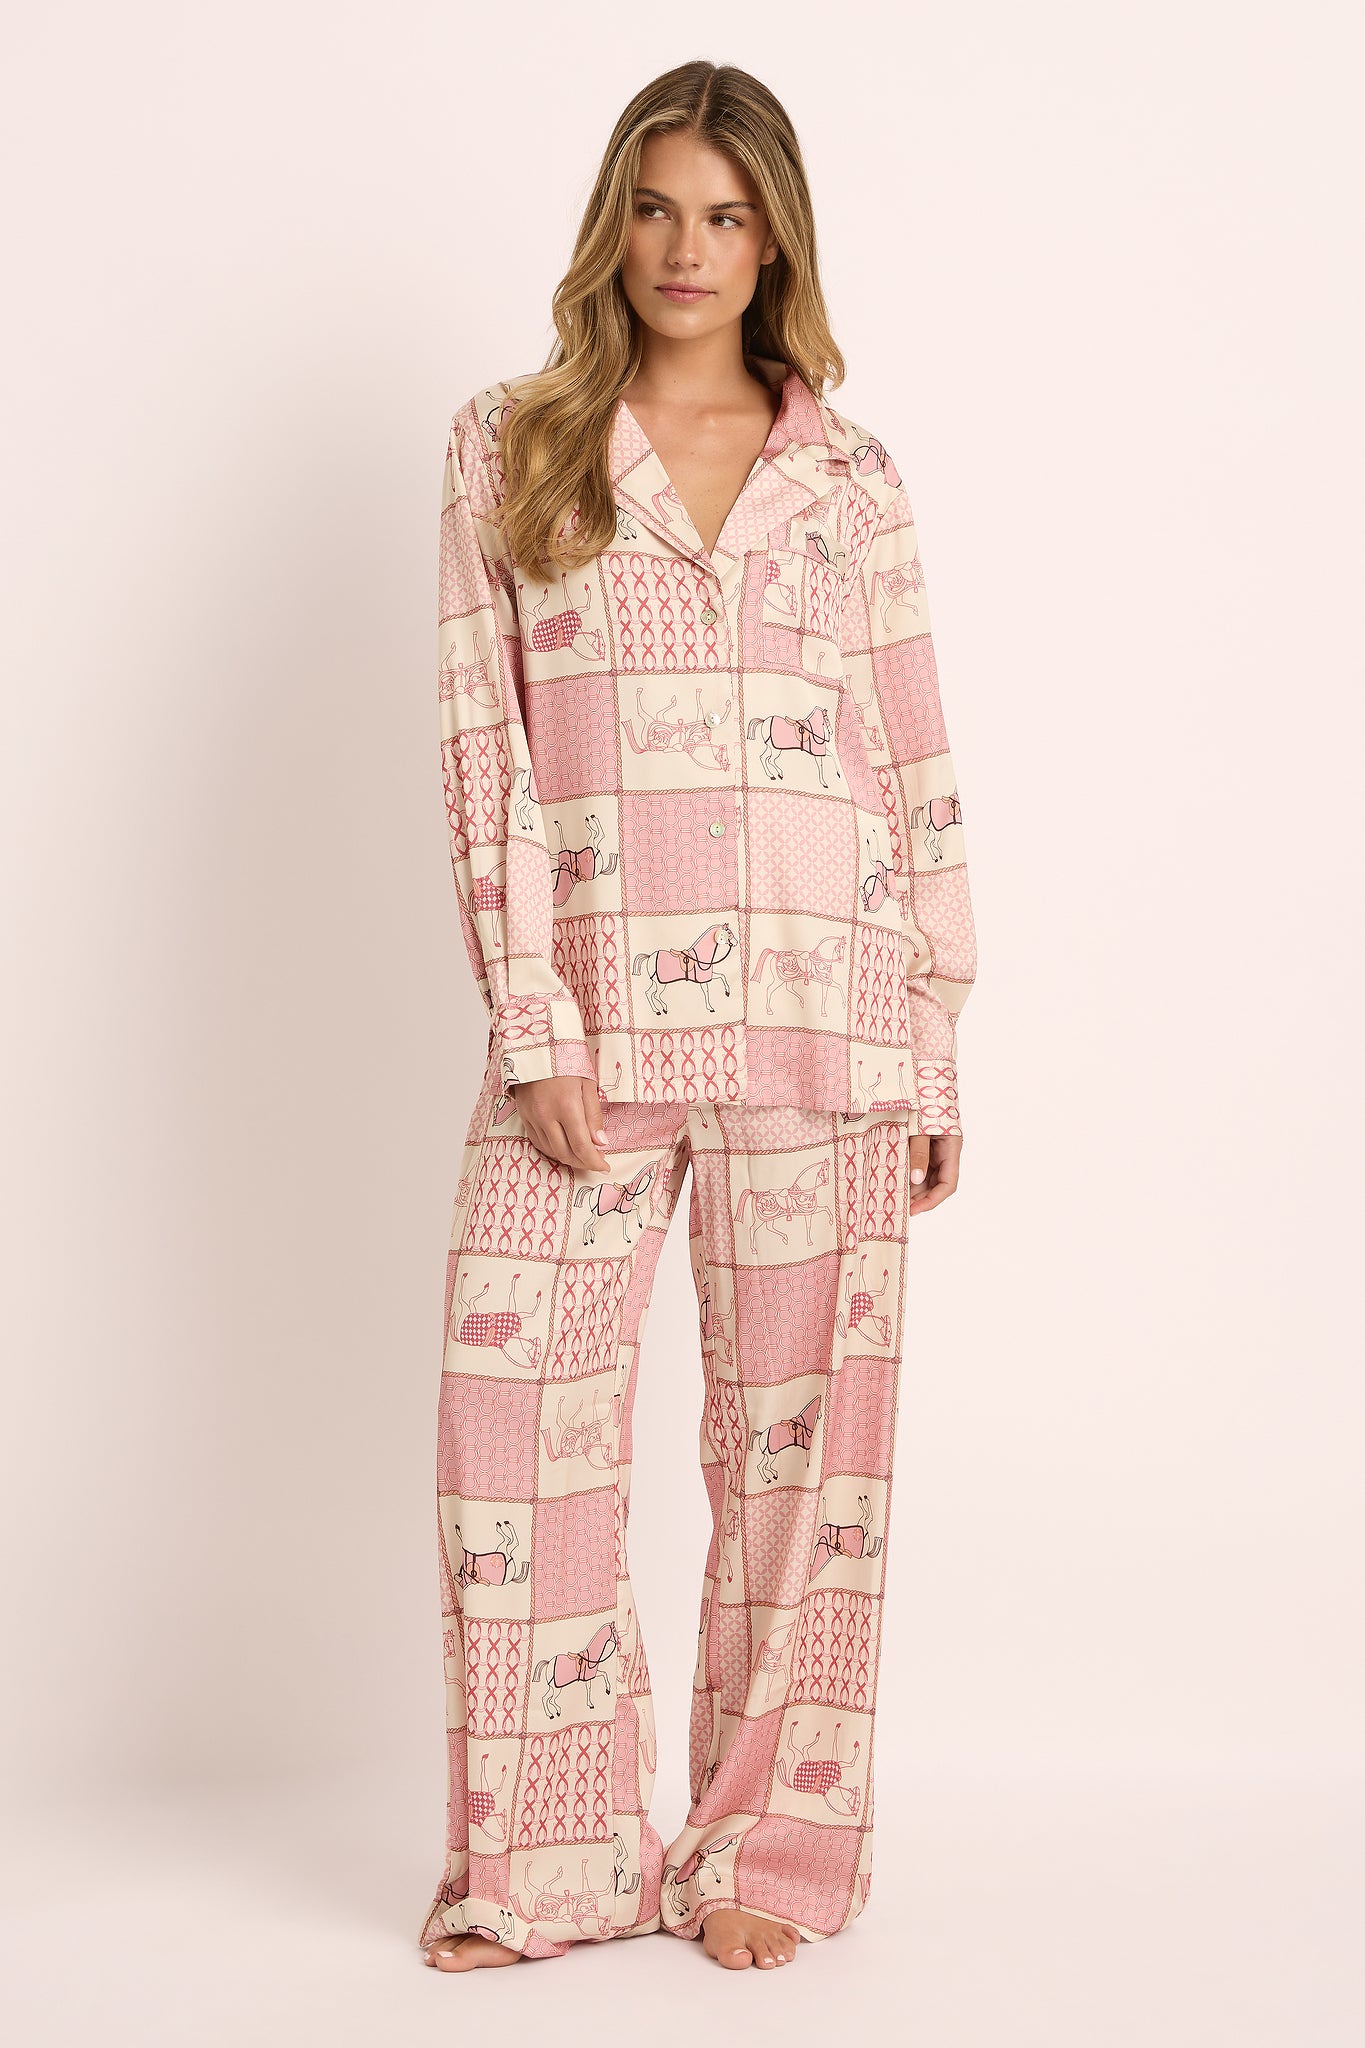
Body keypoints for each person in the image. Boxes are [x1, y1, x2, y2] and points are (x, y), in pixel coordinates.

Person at [419, 58, 978, 1975]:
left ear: (775, 241)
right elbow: (482, 748)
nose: (686, 248)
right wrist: (535, 1025)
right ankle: (543, 1867)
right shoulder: (512, 447)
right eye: (657, 207)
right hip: (591, 1023)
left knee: (802, 1467)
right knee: (515, 1427)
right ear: (614, 222)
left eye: (726, 216)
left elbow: (912, 762)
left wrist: (932, 1035)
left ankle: (762, 1855)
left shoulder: (851, 477)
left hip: (831, 1016)